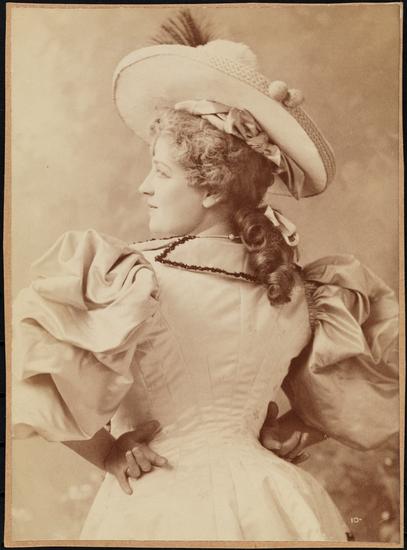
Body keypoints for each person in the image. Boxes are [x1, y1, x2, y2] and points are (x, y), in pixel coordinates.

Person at [11, 11, 399, 542]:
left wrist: (107, 453)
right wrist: (292, 428)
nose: (145, 187)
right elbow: (362, 390)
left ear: (212, 188)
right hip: (274, 502)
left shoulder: (136, 280)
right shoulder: (300, 290)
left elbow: (40, 376)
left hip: (161, 502)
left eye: (161, 171)